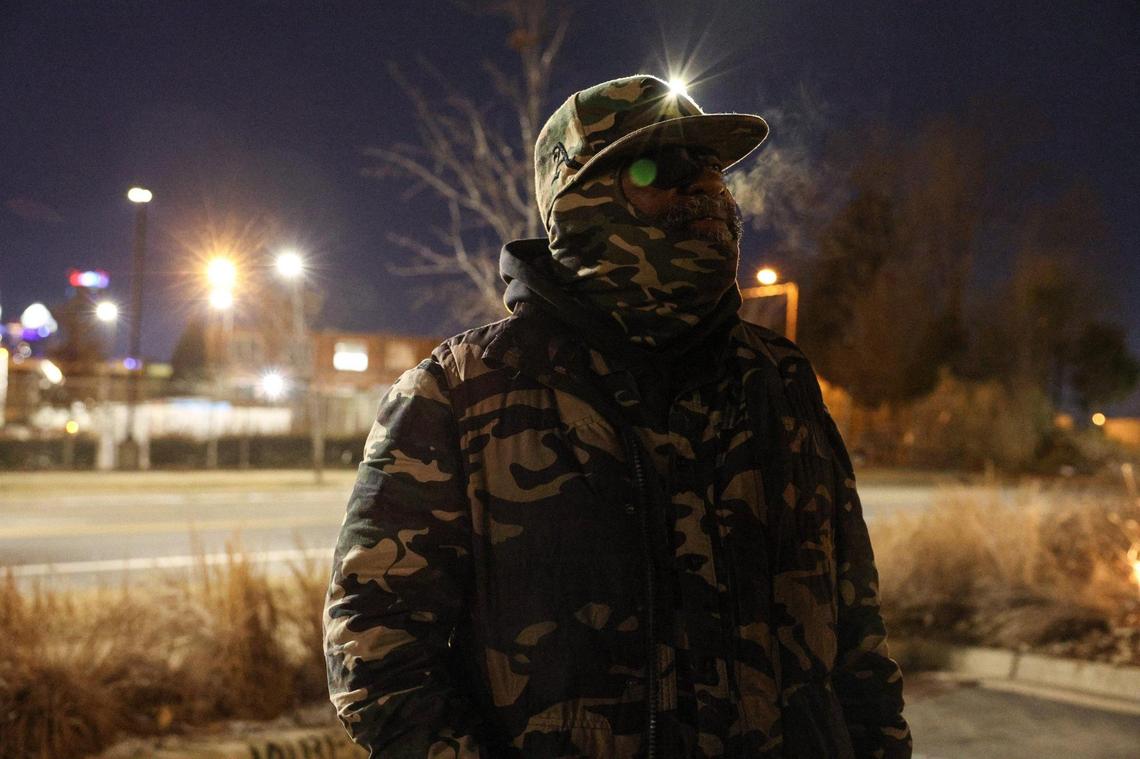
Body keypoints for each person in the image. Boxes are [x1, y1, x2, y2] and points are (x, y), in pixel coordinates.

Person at [324, 74, 911, 758]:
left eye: (711, 171)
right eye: (656, 167)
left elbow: (858, 637)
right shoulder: (458, 395)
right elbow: (375, 650)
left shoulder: (779, 382)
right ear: (579, 203)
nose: (704, 192)